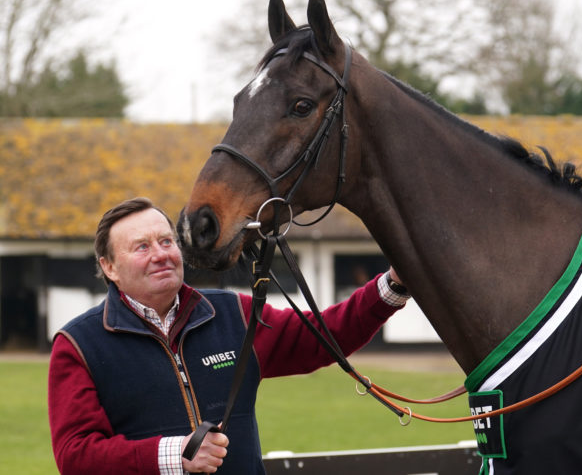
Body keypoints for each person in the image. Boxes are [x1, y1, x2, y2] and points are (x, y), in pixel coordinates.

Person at [48, 197, 410, 474]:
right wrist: (177, 455)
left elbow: (323, 335)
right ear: (109, 267)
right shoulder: (79, 344)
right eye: (142, 247)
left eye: (166, 241)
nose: (161, 255)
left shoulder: (232, 314)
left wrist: (392, 287)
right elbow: (76, 455)